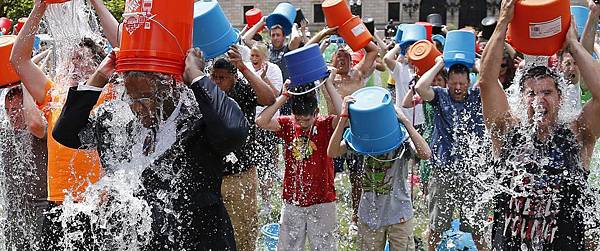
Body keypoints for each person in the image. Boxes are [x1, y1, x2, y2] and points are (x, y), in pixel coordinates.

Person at [52, 46, 249, 250]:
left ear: (170, 87)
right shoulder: (118, 124)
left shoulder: (200, 121)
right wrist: (99, 76)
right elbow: (65, 133)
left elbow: (233, 131)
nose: (137, 108)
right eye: (131, 98)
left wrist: (196, 75)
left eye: (145, 98)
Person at [478, 0, 600, 249]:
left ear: (561, 97)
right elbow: (486, 82)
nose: (539, 100)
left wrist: (574, 46)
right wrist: (503, 23)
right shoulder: (506, 130)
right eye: (531, 94)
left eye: (546, 92)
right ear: (520, 100)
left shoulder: (578, 133)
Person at [10, 1, 108, 248]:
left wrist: (96, 2)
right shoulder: (55, 95)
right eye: (70, 60)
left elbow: (124, 47)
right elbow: (19, 60)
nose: (73, 65)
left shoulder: (110, 95)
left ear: (98, 66)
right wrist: (40, 7)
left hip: (98, 205)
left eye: (80, 60)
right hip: (58, 204)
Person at [328, 96, 432, 251]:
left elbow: (425, 153)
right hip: (369, 214)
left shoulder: (401, 136)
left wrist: (406, 122)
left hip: (399, 214)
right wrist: (344, 117)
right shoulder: (361, 137)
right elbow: (332, 151)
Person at [255, 69, 343, 250]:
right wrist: (284, 96)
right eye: (298, 119)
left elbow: (344, 116)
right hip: (293, 201)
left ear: (316, 112)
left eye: (307, 119)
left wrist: (327, 83)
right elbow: (261, 121)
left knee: (325, 247)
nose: (302, 124)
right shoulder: (288, 124)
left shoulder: (325, 124)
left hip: (322, 200)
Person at [414, 57, 487, 250]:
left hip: (471, 170)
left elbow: (492, 84)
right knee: (436, 226)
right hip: (442, 170)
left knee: (477, 228)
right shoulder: (440, 96)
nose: (457, 88)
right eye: (453, 83)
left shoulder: (476, 96)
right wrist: (439, 64)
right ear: (447, 82)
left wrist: (480, 66)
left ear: (469, 83)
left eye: (462, 83)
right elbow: (421, 88)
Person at [209, 45, 276, 251]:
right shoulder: (207, 93)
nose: (217, 82)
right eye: (215, 77)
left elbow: (269, 98)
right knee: (214, 230)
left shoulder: (242, 91)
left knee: (244, 229)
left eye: (223, 78)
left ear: (234, 77)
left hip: (242, 175)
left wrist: (245, 68)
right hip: (213, 176)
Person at [0, 83, 48, 250]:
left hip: (41, 207)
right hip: (14, 211)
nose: (11, 115)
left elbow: (36, 124)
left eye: (15, 109)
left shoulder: (41, 130)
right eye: (7, 110)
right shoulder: (5, 135)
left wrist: (26, 85)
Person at [244, 42, 284, 216]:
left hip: (268, 121)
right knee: (254, 162)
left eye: (257, 56)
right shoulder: (245, 69)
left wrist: (265, 78)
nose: (253, 59)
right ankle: (254, 199)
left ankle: (267, 202)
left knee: (267, 163)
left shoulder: (274, 70)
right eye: (252, 55)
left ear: (264, 57)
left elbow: (276, 94)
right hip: (250, 122)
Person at [243, 16, 303, 115]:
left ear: (284, 37)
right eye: (273, 35)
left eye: (278, 35)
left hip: (285, 97)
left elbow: (296, 38)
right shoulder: (266, 49)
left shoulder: (288, 49)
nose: (275, 38)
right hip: (267, 95)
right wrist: (261, 22)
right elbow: (246, 39)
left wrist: (293, 26)